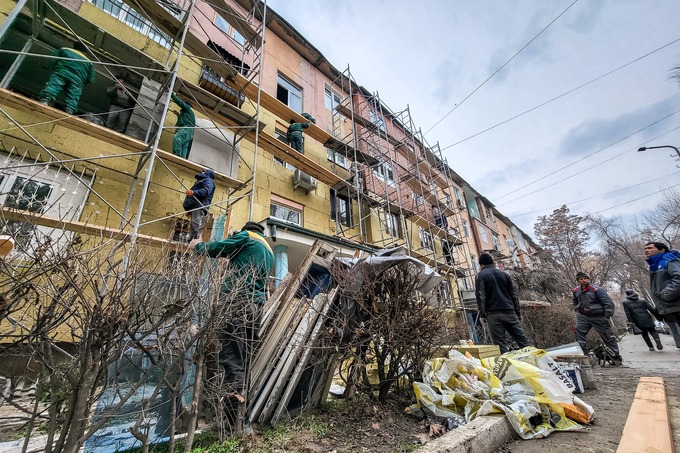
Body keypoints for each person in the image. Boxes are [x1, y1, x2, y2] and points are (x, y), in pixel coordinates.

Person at [191, 221, 274, 430]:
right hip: (255, 308)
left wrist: (198, 246)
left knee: (232, 361)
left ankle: (235, 425)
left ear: (247, 230)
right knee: (243, 362)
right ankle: (239, 420)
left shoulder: (246, 237)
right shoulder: (268, 250)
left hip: (237, 304)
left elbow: (219, 248)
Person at [475, 252, 531, 354]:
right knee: (523, 341)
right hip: (510, 312)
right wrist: (517, 313)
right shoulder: (505, 275)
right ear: (492, 262)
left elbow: (480, 296)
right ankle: (537, 362)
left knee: (500, 345)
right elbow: (514, 295)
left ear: (481, 264)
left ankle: (508, 367)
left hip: (493, 314)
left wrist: (482, 314)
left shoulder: (481, 276)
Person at [572, 271, 622, 364]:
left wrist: (607, 315)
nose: (584, 280)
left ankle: (615, 357)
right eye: (581, 279)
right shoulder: (576, 291)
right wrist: (577, 309)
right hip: (583, 316)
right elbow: (575, 301)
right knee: (579, 333)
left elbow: (607, 302)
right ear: (578, 281)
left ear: (588, 279)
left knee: (608, 336)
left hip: (598, 316)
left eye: (585, 278)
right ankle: (584, 357)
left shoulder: (597, 289)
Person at [39, 42, 96, 115]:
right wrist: (81, 83)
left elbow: (52, 60)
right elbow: (91, 79)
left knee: (53, 86)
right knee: (73, 96)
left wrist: (46, 66)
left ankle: (45, 100)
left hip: (62, 73)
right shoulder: (89, 62)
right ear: (85, 52)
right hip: (77, 80)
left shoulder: (65, 50)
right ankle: (69, 111)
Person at [645, 241, 680, 349]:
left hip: (676, 303)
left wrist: (666, 294)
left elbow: (678, 278)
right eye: (646, 249)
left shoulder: (669, 260)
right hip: (668, 307)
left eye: (650, 248)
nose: (647, 250)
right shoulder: (654, 265)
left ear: (662, 249)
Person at [182, 169, 215, 240]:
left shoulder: (208, 180)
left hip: (200, 205)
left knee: (196, 222)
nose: (202, 172)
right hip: (197, 205)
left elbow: (206, 191)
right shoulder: (204, 180)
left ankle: (196, 239)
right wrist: (190, 210)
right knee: (194, 223)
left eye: (204, 172)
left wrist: (193, 192)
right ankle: (193, 238)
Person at [170, 92, 195, 158]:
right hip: (190, 131)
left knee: (177, 138)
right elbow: (185, 120)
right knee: (184, 146)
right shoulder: (190, 114)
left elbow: (180, 103)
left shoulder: (188, 109)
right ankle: (182, 159)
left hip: (186, 128)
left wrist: (172, 95)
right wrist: (178, 115)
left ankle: (177, 155)